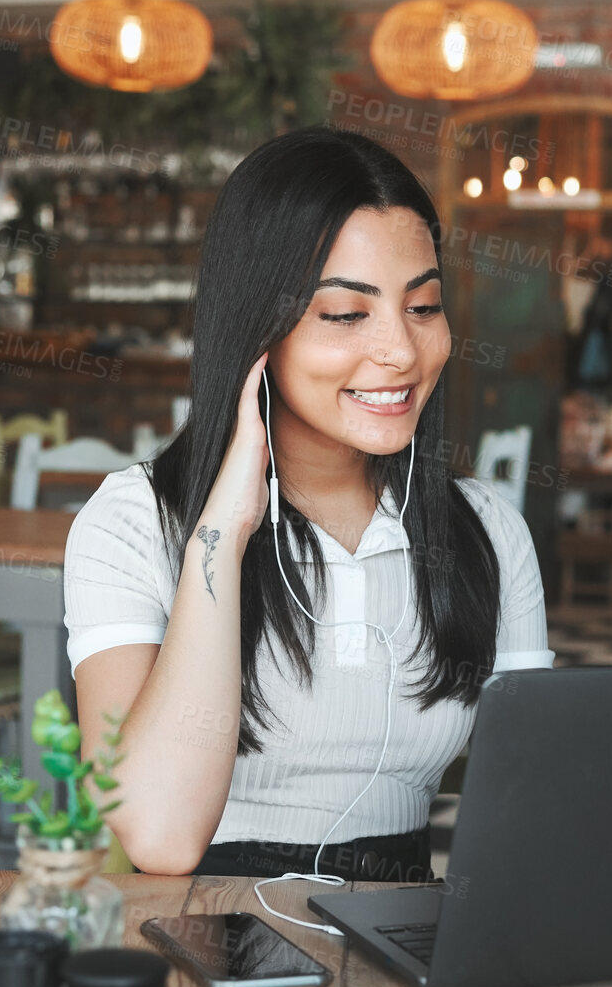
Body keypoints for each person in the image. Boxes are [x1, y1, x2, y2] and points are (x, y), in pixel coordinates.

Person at [63, 127, 553, 885]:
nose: (399, 349)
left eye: (421, 306)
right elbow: (158, 837)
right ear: (257, 328)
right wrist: (221, 536)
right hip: (204, 935)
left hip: (404, 949)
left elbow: (533, 803)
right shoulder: (133, 524)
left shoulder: (486, 532)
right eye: (345, 315)